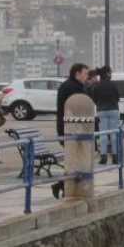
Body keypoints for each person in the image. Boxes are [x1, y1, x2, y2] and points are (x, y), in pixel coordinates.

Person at [51, 63, 89, 199]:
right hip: (71, 128)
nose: (87, 76)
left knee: (75, 161)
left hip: (68, 128)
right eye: (85, 73)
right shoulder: (74, 88)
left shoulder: (68, 85)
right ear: (77, 74)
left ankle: (66, 187)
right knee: (73, 161)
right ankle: (63, 185)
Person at [88, 66, 120, 165]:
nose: (111, 74)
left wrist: (99, 104)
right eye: (110, 72)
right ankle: (115, 157)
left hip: (101, 110)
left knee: (103, 134)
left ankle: (104, 157)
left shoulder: (96, 85)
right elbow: (117, 97)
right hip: (114, 110)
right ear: (107, 73)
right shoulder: (113, 84)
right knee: (114, 134)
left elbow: (94, 98)